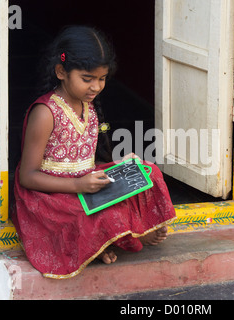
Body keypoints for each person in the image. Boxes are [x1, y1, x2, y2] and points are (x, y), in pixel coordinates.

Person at [11, 26, 176, 279]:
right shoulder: (45, 113)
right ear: (61, 72)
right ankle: (110, 240)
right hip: (53, 194)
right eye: (87, 79)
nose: (96, 86)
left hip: (85, 181)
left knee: (146, 172)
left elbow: (83, 160)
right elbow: (27, 176)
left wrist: (118, 165)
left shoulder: (89, 107)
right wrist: (78, 185)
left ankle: (125, 233)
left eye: (102, 78)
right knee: (101, 214)